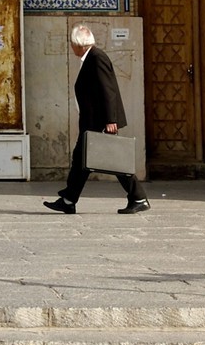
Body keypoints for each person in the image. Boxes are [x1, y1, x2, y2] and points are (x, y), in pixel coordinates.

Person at [45, 23, 149, 215]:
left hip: (100, 122)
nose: (71, 47)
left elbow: (107, 90)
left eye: (72, 43)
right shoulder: (90, 58)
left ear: (78, 43)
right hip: (92, 121)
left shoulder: (97, 57)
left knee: (115, 160)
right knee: (81, 160)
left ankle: (138, 197)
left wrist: (111, 120)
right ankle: (68, 200)